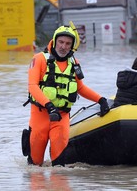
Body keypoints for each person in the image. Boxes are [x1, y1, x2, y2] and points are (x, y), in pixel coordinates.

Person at [24, 24, 110, 166]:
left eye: (68, 44)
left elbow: (80, 88)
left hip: (61, 117)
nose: (63, 46)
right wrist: (49, 106)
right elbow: (32, 86)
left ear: (72, 46)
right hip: (40, 115)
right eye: (61, 42)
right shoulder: (39, 59)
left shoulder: (74, 63)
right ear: (55, 41)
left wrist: (100, 100)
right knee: (35, 165)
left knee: (59, 166)